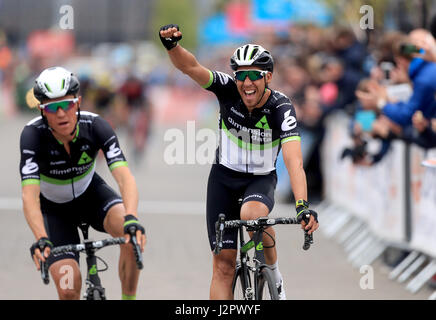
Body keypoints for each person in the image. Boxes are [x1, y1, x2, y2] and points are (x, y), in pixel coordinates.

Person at [159, 24, 319, 300]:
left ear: (268, 77)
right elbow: (191, 67)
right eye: (241, 75)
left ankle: (273, 271)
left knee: (252, 214)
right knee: (223, 267)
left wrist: (302, 205)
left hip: (260, 179)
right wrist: (173, 47)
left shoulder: (281, 108)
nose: (246, 83)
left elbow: (294, 162)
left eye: (254, 76)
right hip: (223, 179)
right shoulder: (227, 89)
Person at [20, 66, 146, 300]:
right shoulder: (32, 135)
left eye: (66, 105)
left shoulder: (96, 126)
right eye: (52, 108)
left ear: (77, 102)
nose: (61, 114)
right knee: (68, 289)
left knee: (131, 239)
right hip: (55, 211)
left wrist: (132, 217)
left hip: (92, 196)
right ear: (41, 111)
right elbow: (29, 195)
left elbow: (124, 177)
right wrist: (40, 237)